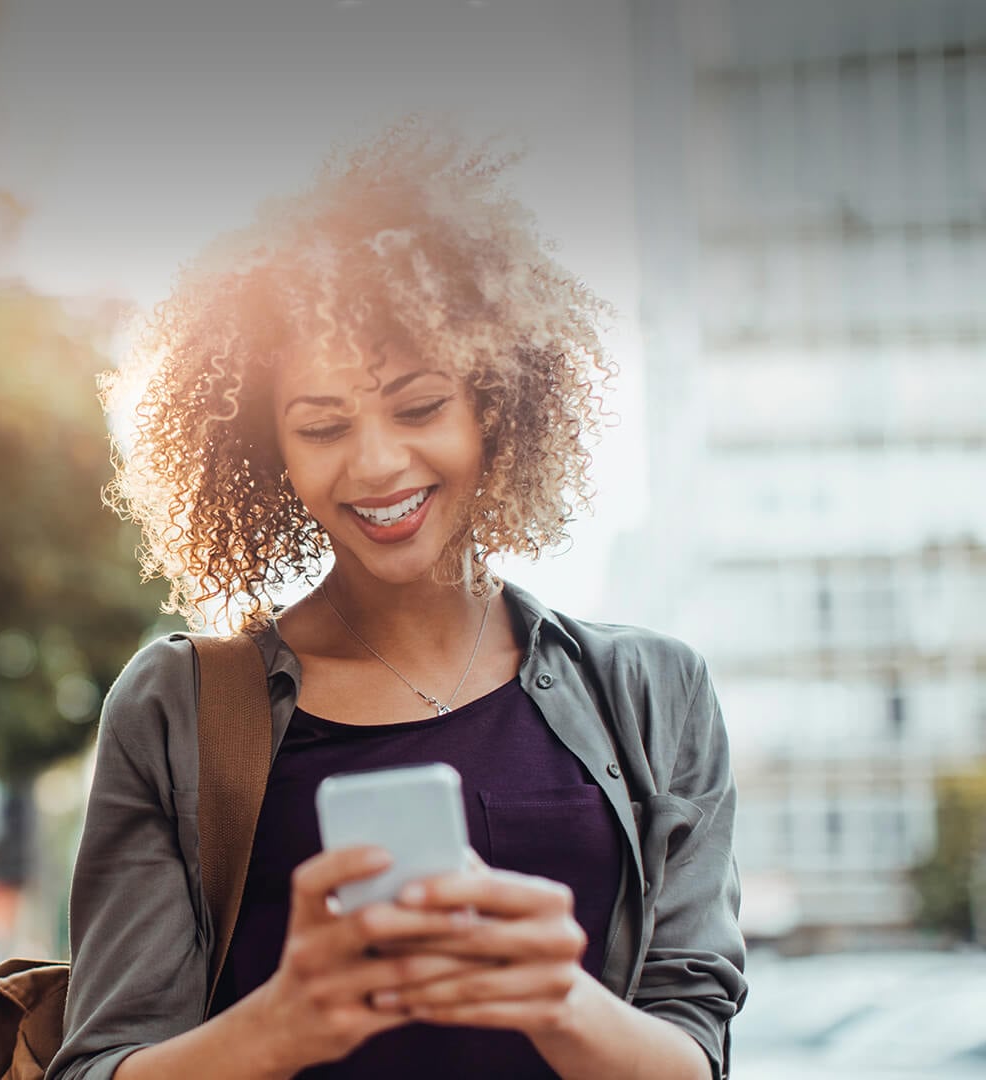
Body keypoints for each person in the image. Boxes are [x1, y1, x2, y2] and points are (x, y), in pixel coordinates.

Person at [46, 118, 746, 1080]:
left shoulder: (653, 692)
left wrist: (559, 1001)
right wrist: (282, 1024)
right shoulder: (181, 706)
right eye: (322, 425)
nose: (377, 466)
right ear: (271, 453)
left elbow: (694, 1053)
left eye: (420, 408)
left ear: (496, 407)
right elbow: (95, 1067)